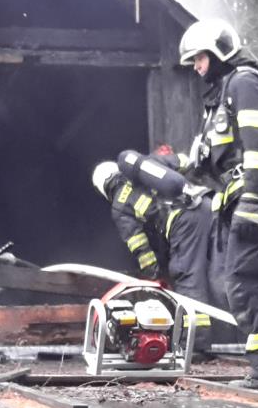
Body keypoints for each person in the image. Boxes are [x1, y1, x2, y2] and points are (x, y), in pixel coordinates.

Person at [177, 18, 258, 392]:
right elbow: (214, 159)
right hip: (242, 198)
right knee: (242, 283)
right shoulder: (223, 95)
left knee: (246, 283)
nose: (196, 67)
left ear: (219, 52)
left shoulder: (245, 83)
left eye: (200, 58)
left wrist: (251, 198)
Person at [91, 147, 219, 351]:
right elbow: (185, 161)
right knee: (222, 271)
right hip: (209, 205)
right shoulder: (145, 165)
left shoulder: (119, 206)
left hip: (183, 222)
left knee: (188, 278)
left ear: (103, 189)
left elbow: (141, 249)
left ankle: (196, 345)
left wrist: (154, 276)